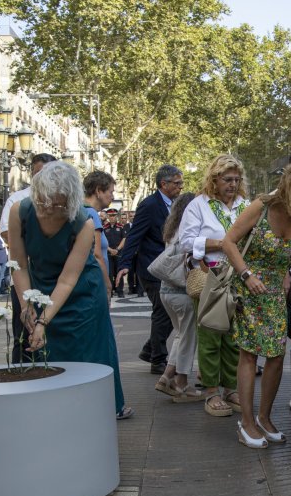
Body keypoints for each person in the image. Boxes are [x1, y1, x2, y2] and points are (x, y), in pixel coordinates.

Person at [8, 161, 131, 419]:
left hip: (81, 296)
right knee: (46, 357)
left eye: (59, 204)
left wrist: (43, 319)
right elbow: (18, 264)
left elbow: (67, 279)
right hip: (41, 290)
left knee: (87, 359)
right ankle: (54, 417)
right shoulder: (20, 211)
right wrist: (26, 304)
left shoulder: (84, 222)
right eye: (43, 202)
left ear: (72, 200)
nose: (50, 209)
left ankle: (95, 415)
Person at [224, 164, 291, 448]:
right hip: (248, 288)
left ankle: (264, 418)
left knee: (277, 356)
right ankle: (246, 422)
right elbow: (229, 242)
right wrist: (247, 275)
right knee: (249, 354)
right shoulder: (261, 206)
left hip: (276, 295)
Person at [179, 155, 249, 418]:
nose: (232, 184)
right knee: (210, 335)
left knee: (234, 337)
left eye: (236, 179)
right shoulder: (199, 205)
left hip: (240, 276)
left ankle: (230, 388)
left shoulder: (245, 206)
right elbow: (186, 242)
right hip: (211, 275)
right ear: (214, 180)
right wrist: (222, 244)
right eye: (227, 179)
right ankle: (211, 391)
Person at [116, 165, 182, 375]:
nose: (180, 187)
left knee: (170, 311)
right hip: (152, 268)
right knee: (163, 311)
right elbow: (134, 235)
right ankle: (157, 359)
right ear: (164, 184)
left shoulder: (176, 204)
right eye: (177, 183)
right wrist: (124, 264)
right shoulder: (149, 205)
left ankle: (149, 349)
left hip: (170, 267)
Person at [0, 153, 58, 363]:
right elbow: (7, 234)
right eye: (38, 174)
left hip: (54, 276)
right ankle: (21, 374)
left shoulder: (64, 200)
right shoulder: (17, 200)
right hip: (25, 274)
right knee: (23, 330)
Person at [155, 194, 204, 402]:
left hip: (165, 291)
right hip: (183, 292)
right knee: (187, 338)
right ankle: (180, 383)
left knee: (180, 335)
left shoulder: (171, 229)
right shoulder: (188, 231)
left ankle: (166, 378)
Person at [83, 171, 116, 297]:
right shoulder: (92, 214)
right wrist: (107, 284)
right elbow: (97, 254)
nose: (112, 197)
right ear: (98, 191)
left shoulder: (82, 210)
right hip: (95, 281)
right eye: (111, 192)